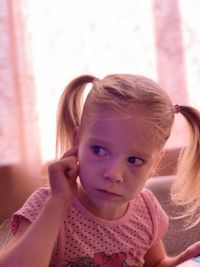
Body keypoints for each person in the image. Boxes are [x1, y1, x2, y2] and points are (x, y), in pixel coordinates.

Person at [0, 74, 200, 267]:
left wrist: (183, 260)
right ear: (77, 141)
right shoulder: (47, 204)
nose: (113, 174)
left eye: (134, 160)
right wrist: (57, 203)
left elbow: (155, 264)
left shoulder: (147, 209)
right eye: (99, 150)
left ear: (155, 163)